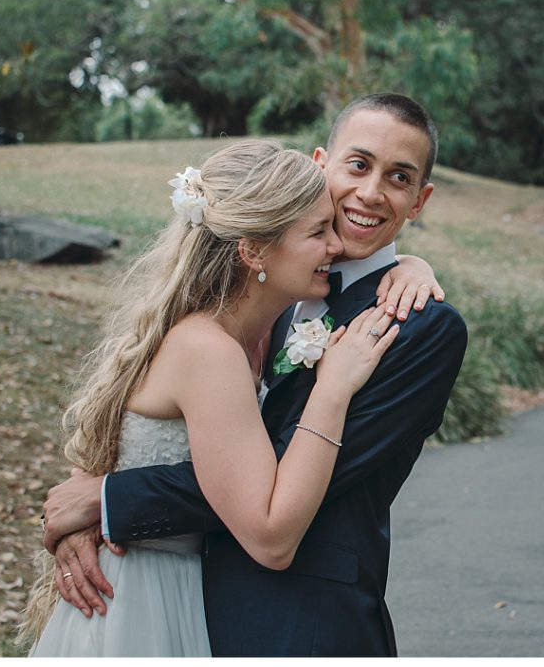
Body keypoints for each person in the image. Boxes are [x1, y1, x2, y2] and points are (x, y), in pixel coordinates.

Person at [40, 93, 468, 656]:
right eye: (358, 165)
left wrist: (112, 502)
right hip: (181, 604)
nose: (370, 192)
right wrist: (86, 506)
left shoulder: (415, 327)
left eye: (399, 177)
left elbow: (276, 480)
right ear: (322, 164)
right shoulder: (263, 300)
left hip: (302, 621)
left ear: (419, 200)